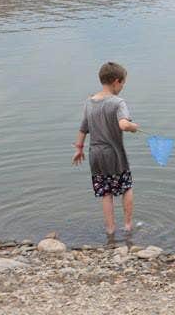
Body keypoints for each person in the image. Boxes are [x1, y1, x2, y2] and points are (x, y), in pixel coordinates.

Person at [72, 62, 139, 238]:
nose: (122, 87)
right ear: (117, 81)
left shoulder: (89, 102)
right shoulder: (118, 103)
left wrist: (79, 149)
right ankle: (128, 225)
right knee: (126, 187)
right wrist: (133, 126)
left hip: (95, 154)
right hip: (114, 154)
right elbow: (123, 124)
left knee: (106, 192)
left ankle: (110, 229)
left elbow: (82, 129)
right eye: (123, 83)